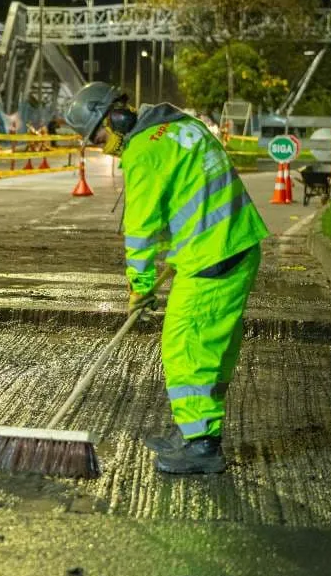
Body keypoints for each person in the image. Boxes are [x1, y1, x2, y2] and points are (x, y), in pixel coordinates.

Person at [64, 82, 269, 475]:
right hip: (234, 244)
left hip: (212, 258)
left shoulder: (144, 152)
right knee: (212, 350)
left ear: (115, 117)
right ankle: (195, 430)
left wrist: (139, 289)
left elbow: (140, 232)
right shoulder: (179, 126)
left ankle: (202, 448)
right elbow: (191, 191)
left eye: (100, 134)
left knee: (185, 351)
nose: (103, 144)